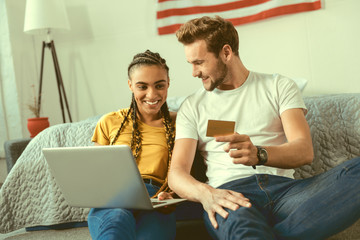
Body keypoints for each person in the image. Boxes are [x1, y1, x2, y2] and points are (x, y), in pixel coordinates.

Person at [168, 16, 360, 240]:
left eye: (199, 62)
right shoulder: (192, 106)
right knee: (244, 229)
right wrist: (207, 195)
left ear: (226, 53)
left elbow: (303, 150)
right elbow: (177, 173)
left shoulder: (278, 86)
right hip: (231, 195)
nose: (194, 72)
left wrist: (259, 154)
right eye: (190, 63)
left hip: (288, 193)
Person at [87, 50, 177, 240]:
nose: (151, 94)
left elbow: (221, 127)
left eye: (159, 85)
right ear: (130, 85)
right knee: (116, 221)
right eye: (142, 86)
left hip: (156, 200)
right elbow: (97, 175)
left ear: (168, 83)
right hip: (113, 200)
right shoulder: (109, 121)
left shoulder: (182, 122)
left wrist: (172, 196)